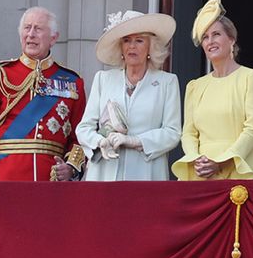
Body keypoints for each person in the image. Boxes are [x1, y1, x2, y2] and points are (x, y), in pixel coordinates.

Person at [0, 7, 86, 181]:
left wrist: (70, 168)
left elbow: (80, 134)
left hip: (51, 179)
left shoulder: (72, 82)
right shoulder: (1, 74)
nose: (31, 34)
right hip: (6, 176)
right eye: (27, 28)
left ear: (53, 38)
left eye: (38, 29)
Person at [76, 10, 182, 181]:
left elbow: (172, 133)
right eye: (127, 40)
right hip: (104, 175)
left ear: (150, 47)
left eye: (139, 41)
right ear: (120, 47)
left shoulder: (167, 82)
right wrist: (99, 142)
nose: (132, 46)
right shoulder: (103, 79)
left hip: (146, 176)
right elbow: (83, 128)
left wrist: (134, 141)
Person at [172, 0, 253, 180]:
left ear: (231, 39)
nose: (210, 41)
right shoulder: (195, 86)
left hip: (239, 168)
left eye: (216, 34)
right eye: (205, 37)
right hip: (201, 173)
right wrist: (196, 158)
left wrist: (222, 162)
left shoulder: (251, 77)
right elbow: (189, 133)